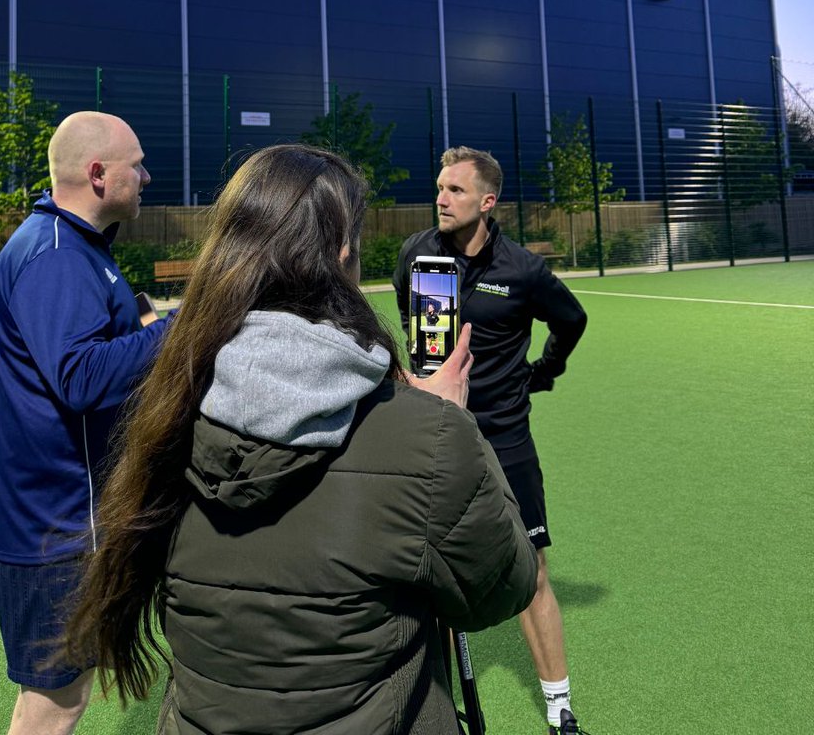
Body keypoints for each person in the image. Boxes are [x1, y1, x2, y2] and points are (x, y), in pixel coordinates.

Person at [64, 143, 538, 734]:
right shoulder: (428, 435)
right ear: (343, 258)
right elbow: (502, 587)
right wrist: (450, 425)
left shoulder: (168, 410)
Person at [0, 111, 171, 735]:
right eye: (136, 164)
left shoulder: (77, 248)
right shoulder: (56, 255)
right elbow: (82, 377)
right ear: (97, 174)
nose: (147, 175)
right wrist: (181, 328)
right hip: (57, 525)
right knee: (56, 703)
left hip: (67, 518)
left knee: (55, 694)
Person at [393, 146, 590, 735]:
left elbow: (572, 319)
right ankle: (420, 698)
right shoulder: (417, 254)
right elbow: (411, 321)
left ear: (487, 201)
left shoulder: (523, 270)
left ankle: (559, 706)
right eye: (439, 188)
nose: (441, 198)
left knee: (530, 570)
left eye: (454, 190)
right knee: (418, 566)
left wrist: (543, 371)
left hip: (504, 438)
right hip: (428, 432)